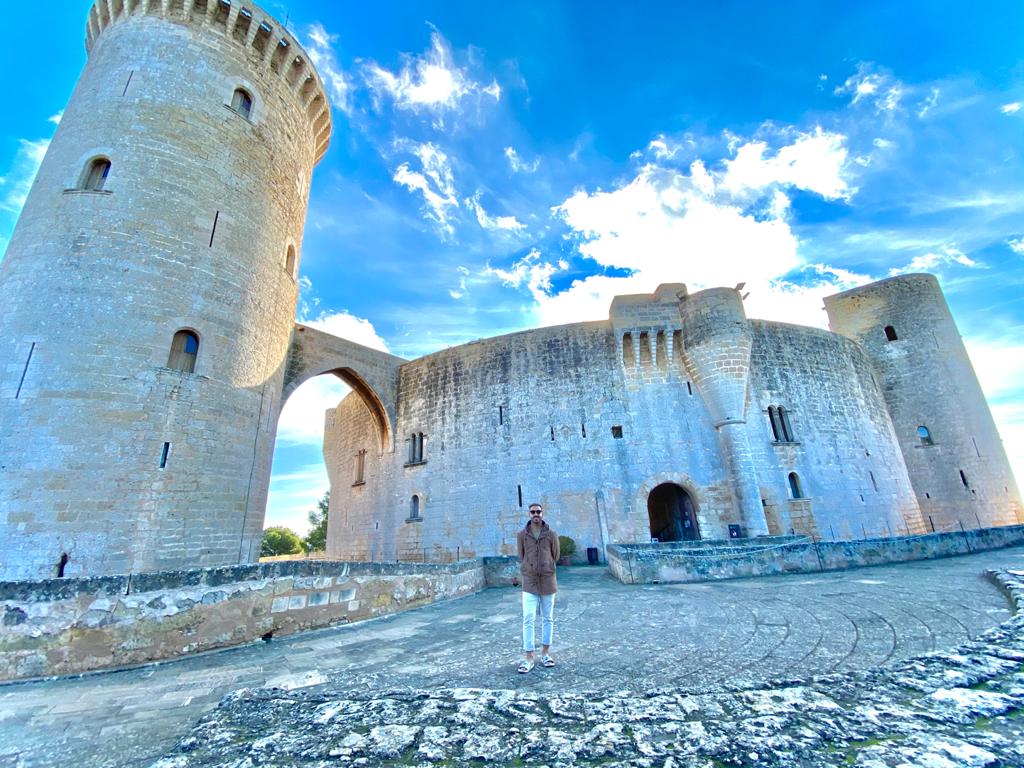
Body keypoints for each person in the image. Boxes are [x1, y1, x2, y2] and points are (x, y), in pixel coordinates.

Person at [516, 502, 559, 673]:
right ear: (529, 514)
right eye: (533, 512)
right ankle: (528, 657)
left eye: (538, 512)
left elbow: (556, 555)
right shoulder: (521, 535)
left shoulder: (551, 534)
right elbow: (522, 555)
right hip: (530, 581)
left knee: (548, 618)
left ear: (542, 513)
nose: (536, 514)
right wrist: (529, 568)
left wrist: (547, 566)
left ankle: (546, 653)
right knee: (528, 617)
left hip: (548, 580)